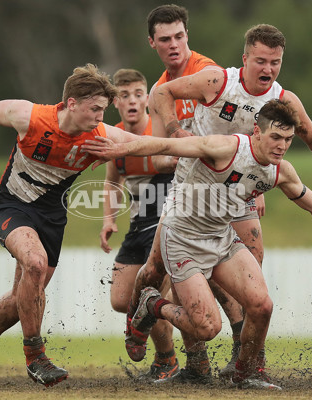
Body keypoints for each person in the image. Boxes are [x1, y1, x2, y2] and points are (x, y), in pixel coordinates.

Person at [82, 98, 312, 390]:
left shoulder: (280, 170)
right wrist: (118, 149)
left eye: (288, 139)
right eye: (275, 137)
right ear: (257, 131)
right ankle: (153, 304)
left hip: (221, 238)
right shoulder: (225, 148)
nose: (281, 146)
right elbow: (166, 144)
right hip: (183, 239)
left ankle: (245, 372)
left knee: (262, 305)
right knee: (207, 328)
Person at [131, 22, 312, 382]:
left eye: (275, 62)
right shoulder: (218, 82)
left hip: (240, 191)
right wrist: (176, 130)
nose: (268, 69)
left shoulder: (283, 101)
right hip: (196, 192)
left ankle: (247, 359)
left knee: (250, 275)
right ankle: (181, 349)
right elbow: (160, 93)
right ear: (245, 59)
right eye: (260, 61)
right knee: (156, 270)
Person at [0, 64, 144, 387]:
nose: (101, 118)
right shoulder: (32, 118)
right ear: (72, 103)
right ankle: (36, 357)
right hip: (11, 206)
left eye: (104, 110)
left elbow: (143, 143)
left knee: (27, 297)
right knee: (35, 262)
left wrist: (123, 150)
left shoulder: (98, 136)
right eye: (95, 110)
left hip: (52, 220)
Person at [122, 4, 246, 383]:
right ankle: (195, 363)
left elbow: (239, 129)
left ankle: (242, 361)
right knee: (164, 274)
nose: (174, 45)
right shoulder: (159, 92)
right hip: (184, 195)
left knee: (234, 283)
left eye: (179, 36)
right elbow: (160, 158)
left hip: (229, 190)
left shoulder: (207, 73)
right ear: (152, 43)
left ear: (187, 36)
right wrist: (182, 149)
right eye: (165, 39)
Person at [100, 68, 179, 380]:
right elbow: (111, 181)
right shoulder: (114, 139)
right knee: (122, 300)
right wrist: (108, 218)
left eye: (137, 94)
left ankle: (167, 361)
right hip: (137, 225)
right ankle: (175, 308)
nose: (131, 101)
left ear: (147, 99)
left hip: (164, 224)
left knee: (147, 297)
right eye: (124, 95)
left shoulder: (157, 133)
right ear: (115, 102)